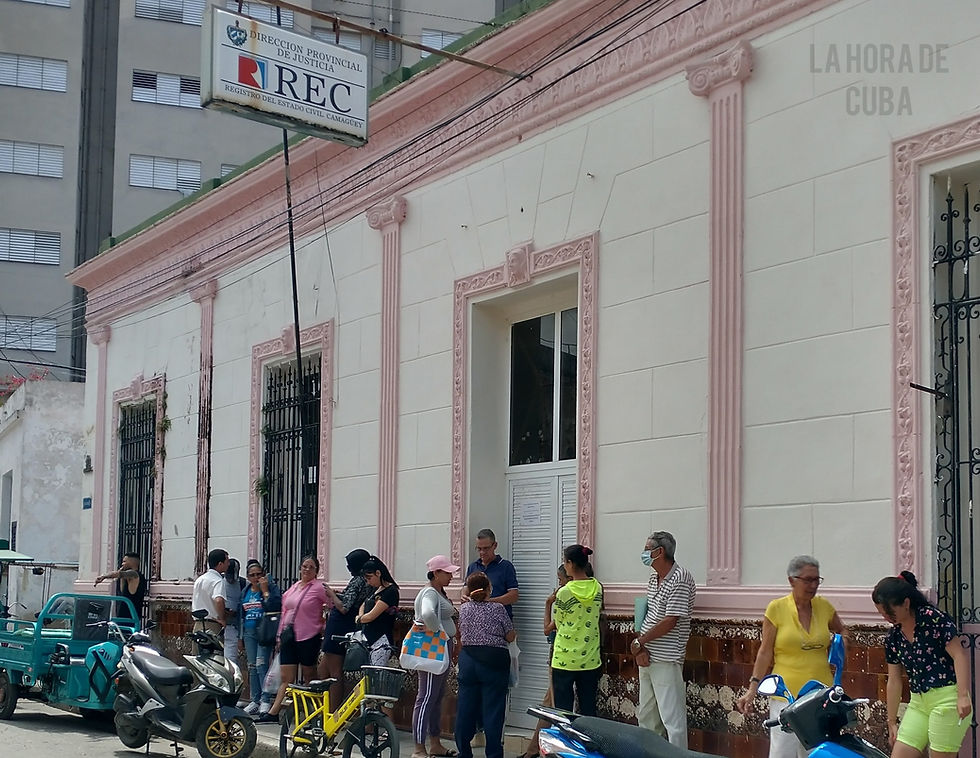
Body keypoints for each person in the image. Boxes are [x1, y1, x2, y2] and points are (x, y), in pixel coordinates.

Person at [735, 556, 848, 758]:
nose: (813, 585)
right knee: (782, 753)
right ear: (791, 580)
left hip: (820, 695)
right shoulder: (776, 609)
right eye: (807, 580)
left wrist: (840, 644)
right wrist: (752, 688)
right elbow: (765, 651)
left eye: (816, 580)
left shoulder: (824, 607)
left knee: (818, 753)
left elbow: (843, 632)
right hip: (785, 694)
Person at [873, 571, 973, 758]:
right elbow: (894, 681)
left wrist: (962, 696)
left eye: (889, 611)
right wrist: (891, 721)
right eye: (882, 613)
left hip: (946, 699)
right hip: (919, 702)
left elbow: (959, 655)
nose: (885, 617)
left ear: (906, 603)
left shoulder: (933, 619)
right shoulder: (894, 637)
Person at [631, 531, 696, 748]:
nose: (644, 553)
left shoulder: (680, 578)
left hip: (667, 659)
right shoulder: (653, 578)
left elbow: (670, 620)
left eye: (647, 549)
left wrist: (640, 642)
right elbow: (648, 614)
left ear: (660, 552)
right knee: (647, 717)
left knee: (672, 720)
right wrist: (641, 648)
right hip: (647, 656)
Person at [260, 555, 329, 722]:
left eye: (311, 567)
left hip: (309, 636)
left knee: (309, 676)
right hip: (289, 636)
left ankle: (313, 713)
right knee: (286, 677)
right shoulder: (294, 587)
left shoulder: (319, 588)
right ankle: (273, 712)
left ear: (316, 572)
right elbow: (285, 611)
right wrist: (279, 636)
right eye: (304, 566)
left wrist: (324, 624)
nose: (307, 569)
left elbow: (332, 605)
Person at [455, 571, 516, 758]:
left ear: (469, 590)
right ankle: (494, 754)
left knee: (465, 708)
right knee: (493, 710)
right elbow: (510, 635)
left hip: (468, 661)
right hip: (494, 662)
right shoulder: (498, 608)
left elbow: (460, 632)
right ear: (489, 589)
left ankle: (464, 752)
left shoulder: (464, 609)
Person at [412, 555, 460, 758]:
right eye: (447, 573)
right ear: (436, 573)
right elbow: (428, 614)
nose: (450, 576)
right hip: (435, 649)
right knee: (426, 697)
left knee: (436, 696)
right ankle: (418, 748)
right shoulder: (430, 593)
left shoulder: (437, 592)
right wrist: (440, 634)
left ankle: (435, 743)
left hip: (441, 648)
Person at [522, 564, 570, 758]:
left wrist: (548, 604)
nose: (558, 583)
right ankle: (533, 749)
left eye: (560, 579)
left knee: (552, 704)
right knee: (551, 702)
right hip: (582, 657)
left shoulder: (564, 596)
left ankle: (535, 750)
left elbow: (547, 628)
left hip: (560, 655)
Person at [551, 544, 603, 717]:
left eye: (565, 562)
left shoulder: (564, 592)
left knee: (563, 711)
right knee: (588, 709)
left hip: (564, 658)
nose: (564, 566)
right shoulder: (598, 588)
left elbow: (558, 622)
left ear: (571, 564)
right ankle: (586, 743)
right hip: (590, 658)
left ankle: (565, 743)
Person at [319, 548, 373, 709]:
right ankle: (323, 707)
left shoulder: (358, 580)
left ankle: (333, 711)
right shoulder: (366, 581)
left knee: (334, 673)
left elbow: (344, 607)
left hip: (339, 626)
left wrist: (331, 594)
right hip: (344, 625)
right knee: (323, 668)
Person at [239, 559, 281, 717]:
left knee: (261, 664)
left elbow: (275, 606)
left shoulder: (271, 588)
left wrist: (265, 591)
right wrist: (240, 636)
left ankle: (265, 699)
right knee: (252, 666)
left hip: (264, 631)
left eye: (259, 574)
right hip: (249, 632)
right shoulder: (246, 591)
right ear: (248, 577)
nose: (256, 578)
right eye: (252, 575)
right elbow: (241, 615)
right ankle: (254, 699)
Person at [461, 529, 519, 618]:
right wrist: (464, 596)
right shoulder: (473, 567)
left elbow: (513, 596)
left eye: (486, 548)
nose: (482, 552)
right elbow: (466, 589)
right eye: (479, 549)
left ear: (495, 545)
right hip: (477, 621)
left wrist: (489, 602)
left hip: (500, 620)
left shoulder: (506, 566)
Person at [356, 556, 399, 666]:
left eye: (370, 578)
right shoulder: (375, 589)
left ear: (378, 573)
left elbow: (371, 616)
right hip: (367, 638)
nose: (369, 582)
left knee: (376, 673)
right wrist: (361, 617)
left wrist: (360, 619)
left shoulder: (390, 591)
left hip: (381, 639)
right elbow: (363, 604)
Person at [95, 551, 147, 623]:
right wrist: (121, 574)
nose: (122, 564)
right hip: (124, 616)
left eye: (124, 561)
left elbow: (119, 574)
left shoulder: (134, 574)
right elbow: (123, 590)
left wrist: (104, 576)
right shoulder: (128, 578)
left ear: (132, 562)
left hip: (130, 618)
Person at [192, 548, 230, 635]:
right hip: (212, 624)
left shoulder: (200, 579)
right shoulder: (218, 580)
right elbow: (219, 600)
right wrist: (222, 618)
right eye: (227, 561)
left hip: (198, 624)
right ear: (220, 564)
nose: (228, 564)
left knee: (198, 648)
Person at [223, 558, 246, 664]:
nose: (231, 580)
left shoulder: (243, 583)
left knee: (230, 658)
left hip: (235, 625)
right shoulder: (219, 582)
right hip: (220, 624)